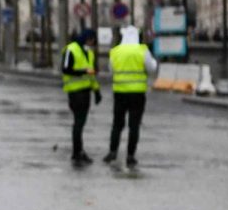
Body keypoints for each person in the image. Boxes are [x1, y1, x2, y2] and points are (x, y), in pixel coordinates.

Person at [103, 25, 157, 166]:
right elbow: (152, 68)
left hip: (120, 93)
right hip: (137, 94)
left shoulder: (115, 51)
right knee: (134, 125)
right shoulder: (142, 50)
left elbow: (111, 69)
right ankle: (130, 155)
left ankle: (112, 151)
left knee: (117, 124)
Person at [61, 24, 99, 163]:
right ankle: (77, 151)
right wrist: (83, 72)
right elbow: (65, 69)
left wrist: (96, 90)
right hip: (75, 92)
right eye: (92, 40)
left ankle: (79, 150)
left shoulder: (89, 53)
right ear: (87, 38)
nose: (93, 43)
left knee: (81, 123)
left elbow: (91, 74)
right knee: (78, 122)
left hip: (85, 92)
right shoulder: (71, 50)